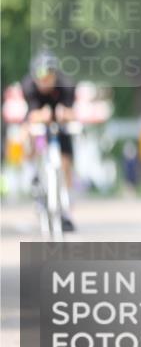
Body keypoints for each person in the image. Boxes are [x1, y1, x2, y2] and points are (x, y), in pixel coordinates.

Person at [21, 51, 77, 231]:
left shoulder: (66, 85)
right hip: (40, 123)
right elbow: (32, 115)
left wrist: (64, 115)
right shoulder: (28, 86)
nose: (45, 82)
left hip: (59, 124)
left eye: (49, 77)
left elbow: (71, 113)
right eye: (41, 78)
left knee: (66, 160)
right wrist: (38, 119)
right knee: (28, 134)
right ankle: (34, 176)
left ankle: (66, 209)